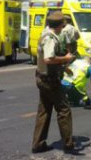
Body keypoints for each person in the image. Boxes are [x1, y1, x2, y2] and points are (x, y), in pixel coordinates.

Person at [32, 11, 80, 154]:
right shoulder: (50, 38)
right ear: (60, 25)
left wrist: (63, 67)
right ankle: (68, 144)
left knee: (44, 111)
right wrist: (65, 59)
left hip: (43, 78)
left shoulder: (45, 33)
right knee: (64, 110)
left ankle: (38, 144)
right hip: (50, 81)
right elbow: (48, 58)